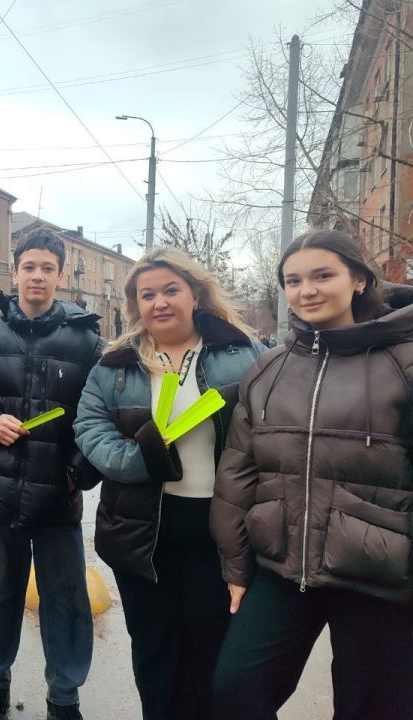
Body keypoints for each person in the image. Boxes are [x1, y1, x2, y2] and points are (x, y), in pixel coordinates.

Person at [210, 229, 413, 720]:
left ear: (359, 279)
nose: (307, 290)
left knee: (373, 709)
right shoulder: (270, 369)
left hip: (380, 578)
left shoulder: (404, 360)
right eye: (293, 280)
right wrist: (236, 565)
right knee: (234, 692)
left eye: (323, 275)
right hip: (284, 571)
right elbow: (238, 470)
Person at [73, 247, 262, 720]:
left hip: (219, 526)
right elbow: (89, 429)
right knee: (155, 650)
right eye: (147, 294)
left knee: (215, 647)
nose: (159, 302)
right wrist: (144, 461)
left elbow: (272, 431)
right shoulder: (114, 365)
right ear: (136, 304)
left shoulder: (244, 354)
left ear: (194, 294)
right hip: (141, 528)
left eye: (170, 290)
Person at [0, 230, 104, 720]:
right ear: (14, 271)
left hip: (57, 499)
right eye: (29, 266)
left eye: (48, 267)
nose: (38, 276)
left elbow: (99, 417)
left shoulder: (87, 342)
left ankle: (64, 697)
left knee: (65, 601)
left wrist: (77, 475)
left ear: (60, 275)